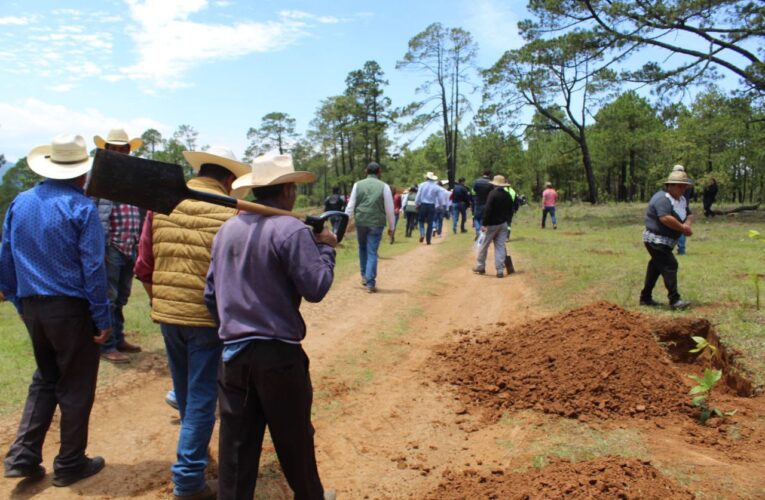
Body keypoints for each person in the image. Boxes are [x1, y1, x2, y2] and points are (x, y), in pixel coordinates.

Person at [204, 154, 336, 500]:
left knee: (236, 450)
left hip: (233, 356)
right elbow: (317, 287)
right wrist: (326, 248)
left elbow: (210, 294)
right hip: (279, 357)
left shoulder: (226, 230)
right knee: (295, 444)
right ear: (288, 190)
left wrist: (233, 323)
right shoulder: (290, 230)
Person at [133, 146, 251, 500]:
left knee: (186, 393)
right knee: (202, 398)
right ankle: (187, 480)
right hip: (205, 318)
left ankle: (193, 455)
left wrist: (160, 300)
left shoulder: (164, 203)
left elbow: (143, 266)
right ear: (229, 179)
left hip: (168, 316)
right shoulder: (230, 213)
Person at [0, 134, 110, 487]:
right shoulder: (81, 208)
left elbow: (6, 257)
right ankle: (70, 462)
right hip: (70, 308)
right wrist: (102, 318)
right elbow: (93, 268)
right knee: (76, 386)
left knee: (45, 379)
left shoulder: (21, 202)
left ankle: (23, 456)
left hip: (34, 306)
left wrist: (19, 302)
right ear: (83, 173)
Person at [93, 128, 144, 363]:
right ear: (107, 150)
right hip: (111, 244)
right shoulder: (99, 178)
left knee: (122, 295)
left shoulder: (133, 179)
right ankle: (108, 345)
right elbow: (92, 214)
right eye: (114, 148)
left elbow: (141, 209)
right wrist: (99, 247)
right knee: (110, 295)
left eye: (123, 148)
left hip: (130, 243)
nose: (119, 152)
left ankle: (118, 337)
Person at [639, 169, 693, 310]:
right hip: (656, 241)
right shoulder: (662, 198)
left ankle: (645, 298)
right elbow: (665, 218)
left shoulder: (681, 200)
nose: (683, 189)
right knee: (670, 265)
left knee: (656, 267)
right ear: (670, 185)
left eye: (684, 186)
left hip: (667, 242)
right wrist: (682, 228)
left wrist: (687, 225)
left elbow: (689, 214)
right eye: (679, 186)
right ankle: (675, 300)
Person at [345, 162, 395, 293]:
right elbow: (390, 209)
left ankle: (364, 276)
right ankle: (370, 282)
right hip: (376, 222)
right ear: (379, 172)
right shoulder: (384, 186)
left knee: (362, 248)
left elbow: (350, 206)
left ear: (366, 171)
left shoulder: (357, 185)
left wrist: (345, 222)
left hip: (361, 221)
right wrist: (392, 226)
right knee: (372, 252)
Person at [473, 175, 514, 278]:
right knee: (500, 247)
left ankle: (480, 266)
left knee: (484, 245)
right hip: (503, 224)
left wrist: (484, 224)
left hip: (492, 225)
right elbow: (511, 210)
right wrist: (507, 220)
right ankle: (500, 270)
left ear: (495, 184)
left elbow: (488, 210)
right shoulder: (507, 195)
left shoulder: (492, 194)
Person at [415, 172, 441, 245]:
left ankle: (422, 233)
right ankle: (428, 240)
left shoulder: (422, 185)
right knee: (430, 223)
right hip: (431, 205)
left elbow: (418, 196)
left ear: (426, 178)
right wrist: (438, 205)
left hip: (423, 205)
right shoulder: (436, 186)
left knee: (421, 221)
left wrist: (417, 204)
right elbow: (438, 198)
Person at [672, 165, 693, 255]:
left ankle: (675, 248)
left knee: (678, 227)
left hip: (676, 205)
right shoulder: (689, 182)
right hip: (685, 206)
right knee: (682, 227)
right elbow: (692, 194)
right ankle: (681, 249)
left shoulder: (673, 181)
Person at [472, 170, 493, 237]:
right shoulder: (491, 183)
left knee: (476, 218)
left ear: (482, 174)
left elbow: (474, 190)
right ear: (489, 174)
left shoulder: (476, 181)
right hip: (487, 203)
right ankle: (481, 232)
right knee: (482, 219)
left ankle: (478, 230)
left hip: (478, 202)